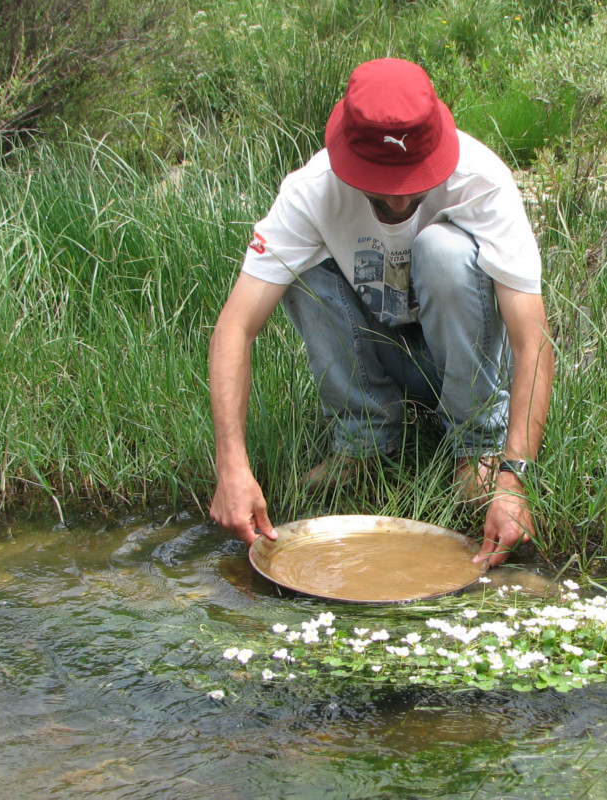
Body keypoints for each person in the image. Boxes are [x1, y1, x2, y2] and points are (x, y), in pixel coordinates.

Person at [208, 58, 554, 568]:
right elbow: (235, 326)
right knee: (295, 268)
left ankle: (475, 444)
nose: (397, 197)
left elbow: (534, 342)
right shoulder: (309, 191)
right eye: (380, 181)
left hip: (459, 356)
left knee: (442, 250)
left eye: (411, 179)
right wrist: (231, 468)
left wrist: (514, 477)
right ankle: (366, 440)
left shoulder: (482, 180)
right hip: (374, 348)